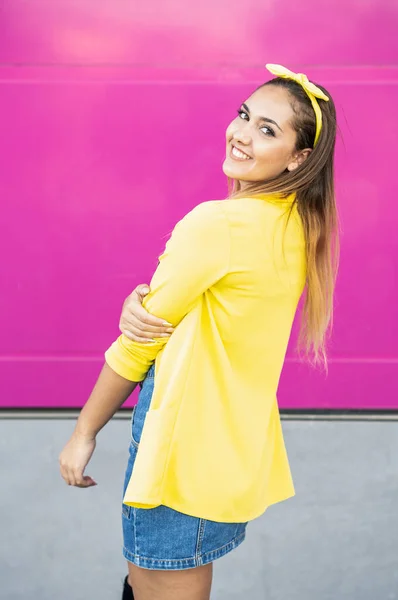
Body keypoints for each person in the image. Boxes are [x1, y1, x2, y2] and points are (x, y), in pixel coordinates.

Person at [59, 64, 339, 600]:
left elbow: (141, 341)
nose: (242, 133)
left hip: (180, 453)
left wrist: (83, 431)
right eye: (244, 115)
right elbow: (218, 311)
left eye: (267, 130)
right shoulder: (299, 224)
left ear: (299, 158)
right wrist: (145, 301)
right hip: (229, 448)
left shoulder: (218, 224)